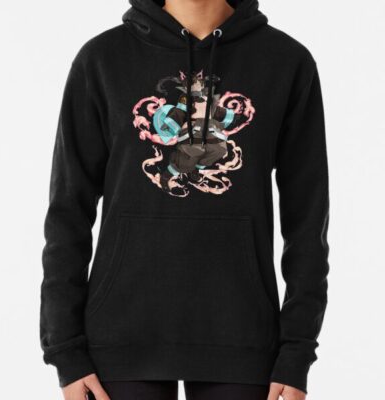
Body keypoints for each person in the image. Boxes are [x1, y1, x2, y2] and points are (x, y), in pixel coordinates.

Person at [41, 0, 330, 399]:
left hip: (242, 337)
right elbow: (67, 212)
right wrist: (65, 349)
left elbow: (308, 221)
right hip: (119, 338)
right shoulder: (102, 59)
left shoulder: (286, 61)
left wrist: (297, 351)